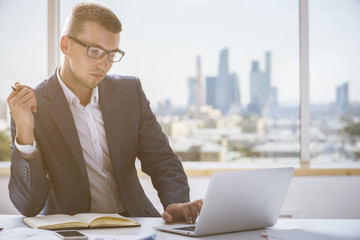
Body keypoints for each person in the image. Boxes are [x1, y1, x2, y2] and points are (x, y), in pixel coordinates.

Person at [7, 2, 202, 223]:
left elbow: (161, 159)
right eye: (95, 51)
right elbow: (28, 205)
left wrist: (175, 203)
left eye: (112, 54)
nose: (104, 64)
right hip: (72, 229)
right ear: (65, 45)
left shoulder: (130, 92)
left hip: (135, 224)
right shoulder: (32, 107)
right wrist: (25, 131)